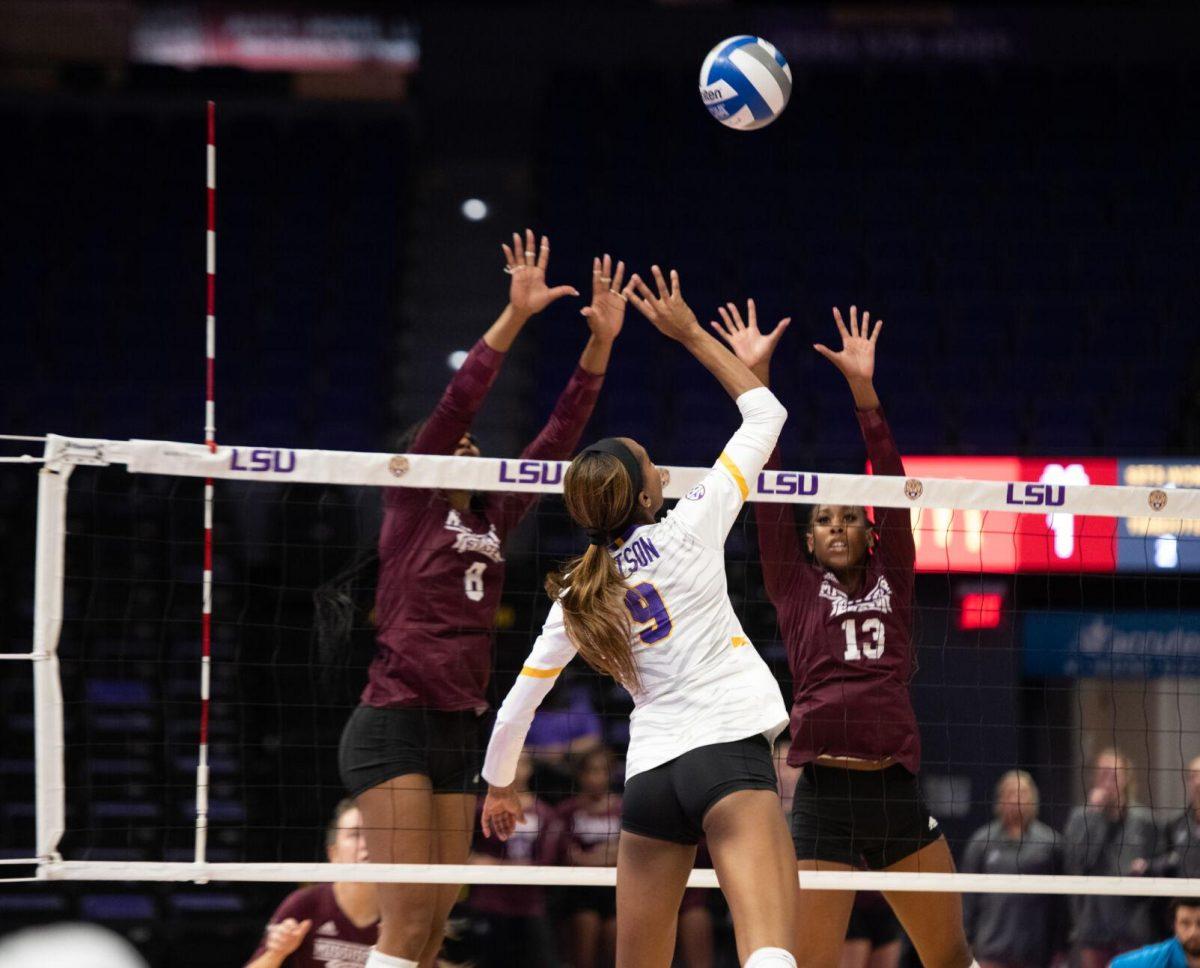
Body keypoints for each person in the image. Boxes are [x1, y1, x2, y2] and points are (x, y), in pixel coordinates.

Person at [481, 266, 799, 968]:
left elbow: (516, 707)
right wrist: (690, 333)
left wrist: (500, 783)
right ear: (647, 494)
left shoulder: (577, 591)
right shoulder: (690, 525)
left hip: (652, 776)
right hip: (728, 752)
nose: (660, 468)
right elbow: (767, 416)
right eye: (652, 464)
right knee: (771, 953)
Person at [337, 233, 628, 968]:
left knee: (436, 929)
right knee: (404, 929)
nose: (467, 443)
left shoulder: (494, 519)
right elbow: (458, 396)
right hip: (395, 723)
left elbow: (559, 440)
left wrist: (600, 345)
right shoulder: (411, 506)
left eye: (471, 441)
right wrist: (516, 314)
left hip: (456, 733)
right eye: (454, 442)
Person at [713, 301, 976, 968]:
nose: (834, 526)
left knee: (950, 956)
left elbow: (889, 481)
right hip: (824, 798)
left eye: (848, 518)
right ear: (807, 538)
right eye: (822, 519)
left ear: (869, 530)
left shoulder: (895, 574)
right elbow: (766, 490)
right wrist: (755, 380)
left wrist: (864, 391)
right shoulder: (794, 585)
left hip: (893, 789)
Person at [245, 799, 379, 968]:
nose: (365, 844)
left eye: (375, 835)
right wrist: (276, 952)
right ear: (333, 853)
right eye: (354, 834)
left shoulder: (403, 914)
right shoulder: (304, 903)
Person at [1064, 747, 1158, 968]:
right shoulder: (1081, 818)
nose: (1108, 781)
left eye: (1113, 774)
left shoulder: (1145, 820)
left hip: (1132, 926)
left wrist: (1146, 868)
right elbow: (1076, 861)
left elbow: (1160, 865)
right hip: (1093, 928)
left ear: (1126, 778)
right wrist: (1093, 815)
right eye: (1103, 774)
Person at [959, 770, 1064, 968]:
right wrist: (967, 941)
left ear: (1033, 798)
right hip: (991, 950)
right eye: (1010, 793)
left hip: (1035, 952)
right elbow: (968, 899)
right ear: (1000, 799)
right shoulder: (982, 841)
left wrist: (1059, 947)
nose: (1016, 798)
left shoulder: (1051, 844)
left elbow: (1060, 905)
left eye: (1022, 793)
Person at [466, 752, 561, 968]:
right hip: (489, 904)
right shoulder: (482, 808)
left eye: (522, 762)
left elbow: (546, 864)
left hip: (530, 906)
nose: (516, 767)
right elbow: (464, 853)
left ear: (531, 768)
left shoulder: (545, 813)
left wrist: (494, 865)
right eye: (511, 760)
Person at [556, 746, 622, 968]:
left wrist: (588, 857)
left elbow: (626, 854)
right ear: (580, 775)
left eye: (603, 771)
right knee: (585, 940)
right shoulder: (568, 809)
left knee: (616, 950)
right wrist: (608, 854)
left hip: (617, 890)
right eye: (591, 771)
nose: (597, 777)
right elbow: (568, 855)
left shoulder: (623, 807)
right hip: (581, 891)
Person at [1109, 898, 1200, 968]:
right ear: (1174, 925)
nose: (1193, 932)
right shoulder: (1159, 959)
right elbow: (1117, 965)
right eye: (1185, 923)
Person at [1154, 755, 1200, 878]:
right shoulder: (1175, 823)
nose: (1198, 782)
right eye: (1193, 776)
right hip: (1183, 894)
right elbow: (1161, 860)